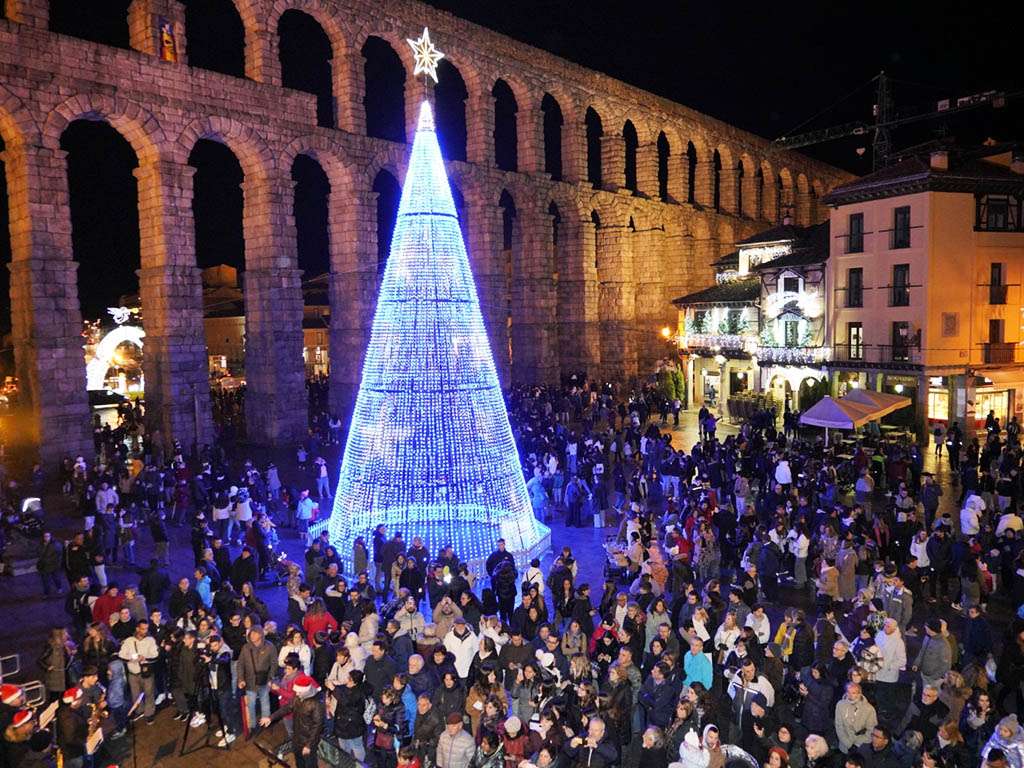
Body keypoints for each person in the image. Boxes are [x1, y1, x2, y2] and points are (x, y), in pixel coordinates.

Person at [259, 674, 324, 768]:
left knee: (310, 764)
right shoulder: (298, 698)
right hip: (297, 737)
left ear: (306, 691)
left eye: (299, 692)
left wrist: (309, 745)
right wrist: (270, 718)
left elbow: (317, 727)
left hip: (308, 740)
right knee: (299, 761)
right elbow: (287, 708)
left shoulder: (316, 704)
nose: (296, 694)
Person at [119, 618, 159, 723]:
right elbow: (121, 655)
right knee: (135, 694)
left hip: (146, 672)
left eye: (146, 629)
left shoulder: (151, 640)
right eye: (142, 629)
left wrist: (144, 658)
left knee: (149, 693)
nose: (144, 631)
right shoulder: (129, 641)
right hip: (133, 672)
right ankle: (139, 710)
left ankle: (149, 713)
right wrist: (131, 658)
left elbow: (155, 655)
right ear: (137, 629)